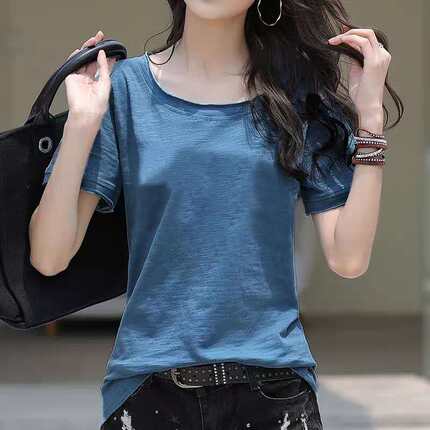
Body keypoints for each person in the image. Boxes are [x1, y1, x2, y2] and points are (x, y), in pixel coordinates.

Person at [29, 0, 402, 429]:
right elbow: (49, 256)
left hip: (274, 389)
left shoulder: (297, 94)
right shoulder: (124, 89)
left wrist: (370, 119)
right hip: (149, 388)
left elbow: (349, 258)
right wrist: (81, 122)